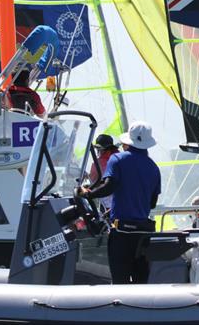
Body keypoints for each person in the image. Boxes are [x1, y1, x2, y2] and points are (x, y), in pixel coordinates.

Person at [79, 121, 161, 284]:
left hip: (122, 233)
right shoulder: (154, 167)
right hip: (144, 234)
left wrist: (88, 194)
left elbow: (109, 186)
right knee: (141, 282)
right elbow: (151, 203)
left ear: (128, 143)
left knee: (120, 281)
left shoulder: (117, 159)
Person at [88, 134, 119, 210]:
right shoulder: (119, 158)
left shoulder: (100, 162)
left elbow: (94, 182)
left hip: (109, 206)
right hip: (120, 204)